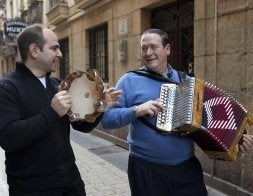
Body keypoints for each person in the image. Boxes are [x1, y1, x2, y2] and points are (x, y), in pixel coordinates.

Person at [101, 28, 253, 196]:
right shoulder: (129, 80)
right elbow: (107, 120)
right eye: (144, 48)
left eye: (153, 47)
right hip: (146, 169)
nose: (148, 52)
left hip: (186, 168)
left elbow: (211, 117)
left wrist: (236, 136)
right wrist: (137, 110)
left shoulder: (185, 81)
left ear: (167, 49)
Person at [0, 24, 121, 196]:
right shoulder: (7, 87)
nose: (60, 54)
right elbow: (8, 137)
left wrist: (100, 106)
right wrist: (51, 112)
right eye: (54, 48)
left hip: (71, 183)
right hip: (31, 189)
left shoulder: (57, 84)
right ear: (34, 50)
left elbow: (81, 126)